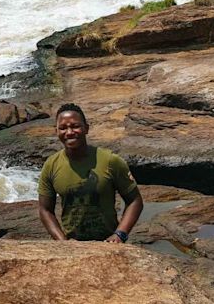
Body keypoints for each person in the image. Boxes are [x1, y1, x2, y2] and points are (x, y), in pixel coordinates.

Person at [38, 103, 143, 242]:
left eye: (75, 126)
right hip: (72, 245)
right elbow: (45, 210)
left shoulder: (110, 160)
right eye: (63, 128)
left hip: (109, 243)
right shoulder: (51, 165)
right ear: (56, 131)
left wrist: (120, 234)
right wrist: (62, 241)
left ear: (86, 128)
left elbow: (135, 201)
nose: (69, 132)